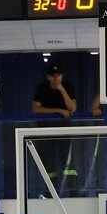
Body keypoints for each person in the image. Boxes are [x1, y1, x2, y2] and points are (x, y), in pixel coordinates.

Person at [30, 63, 79, 195]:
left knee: (68, 159)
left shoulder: (68, 87)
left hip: (63, 130)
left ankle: (73, 190)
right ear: (48, 77)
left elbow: (73, 108)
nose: (56, 78)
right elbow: (36, 108)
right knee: (48, 161)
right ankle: (52, 191)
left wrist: (62, 90)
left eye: (58, 75)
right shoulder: (41, 88)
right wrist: (58, 110)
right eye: (53, 76)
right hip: (45, 130)